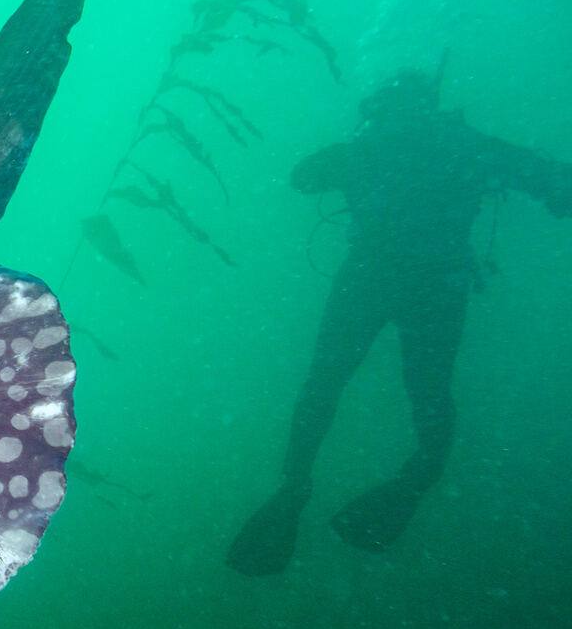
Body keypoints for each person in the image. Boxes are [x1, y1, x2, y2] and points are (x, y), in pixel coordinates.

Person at [227, 69, 572, 575]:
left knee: (325, 384)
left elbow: (303, 177)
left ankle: (296, 483)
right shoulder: (464, 144)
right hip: (437, 285)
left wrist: (362, 154)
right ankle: (414, 477)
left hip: (369, 279)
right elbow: (549, 180)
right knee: (428, 393)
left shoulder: (371, 148)